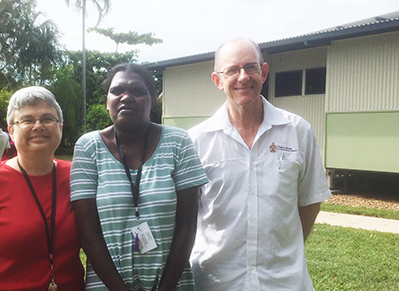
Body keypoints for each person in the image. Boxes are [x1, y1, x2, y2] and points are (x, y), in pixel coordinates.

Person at [188, 37, 332, 291]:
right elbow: (188, 215)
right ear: (217, 80)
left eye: (250, 67)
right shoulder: (197, 140)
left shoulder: (297, 131)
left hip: (283, 282)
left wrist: (282, 247)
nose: (243, 77)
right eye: (232, 70)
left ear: (264, 72)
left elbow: (310, 202)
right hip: (216, 282)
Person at [70, 63, 209, 291]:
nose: (126, 97)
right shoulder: (88, 147)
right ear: (107, 100)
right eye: (117, 91)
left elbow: (187, 226)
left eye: (138, 91)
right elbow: (88, 234)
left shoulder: (179, 142)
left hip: (172, 283)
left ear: (153, 101)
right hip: (107, 285)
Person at [0, 87, 84, 291]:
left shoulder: (77, 177)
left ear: (60, 127)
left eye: (48, 118)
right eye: (27, 120)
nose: (38, 126)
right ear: (11, 131)